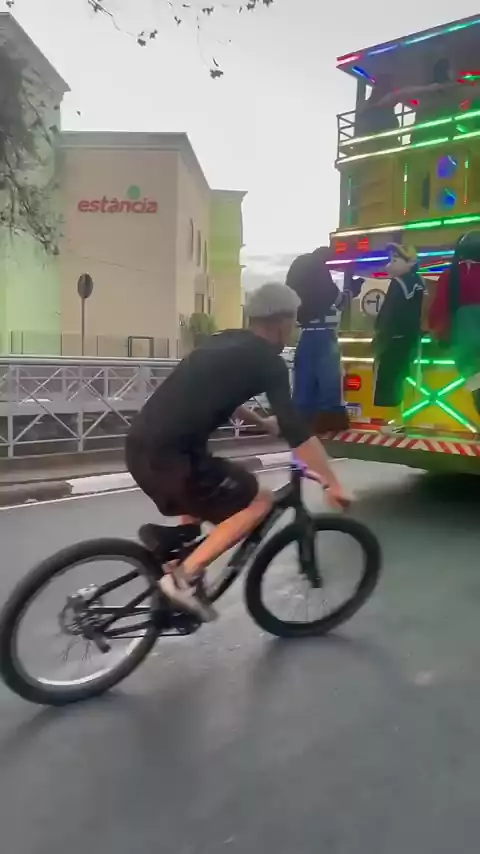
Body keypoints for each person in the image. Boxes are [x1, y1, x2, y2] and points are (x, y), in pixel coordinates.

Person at [126, 282, 350, 622]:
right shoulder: (269, 361)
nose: (294, 328)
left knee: (203, 495)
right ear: (282, 322)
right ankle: (182, 579)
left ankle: (177, 555)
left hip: (139, 446)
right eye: (293, 321)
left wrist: (263, 423)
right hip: (174, 458)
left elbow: (218, 394)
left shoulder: (221, 340)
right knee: (259, 501)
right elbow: (297, 431)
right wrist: (332, 483)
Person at [286, 247, 363, 432]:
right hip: (325, 335)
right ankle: (329, 420)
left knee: (304, 383)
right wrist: (352, 289)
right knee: (329, 382)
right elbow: (340, 302)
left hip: (306, 335)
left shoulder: (300, 279)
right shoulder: (322, 279)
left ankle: (303, 421)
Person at [428, 231, 480, 413]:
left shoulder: (451, 275)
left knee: (476, 383)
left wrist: (438, 333)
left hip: (464, 338)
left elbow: (440, 308)